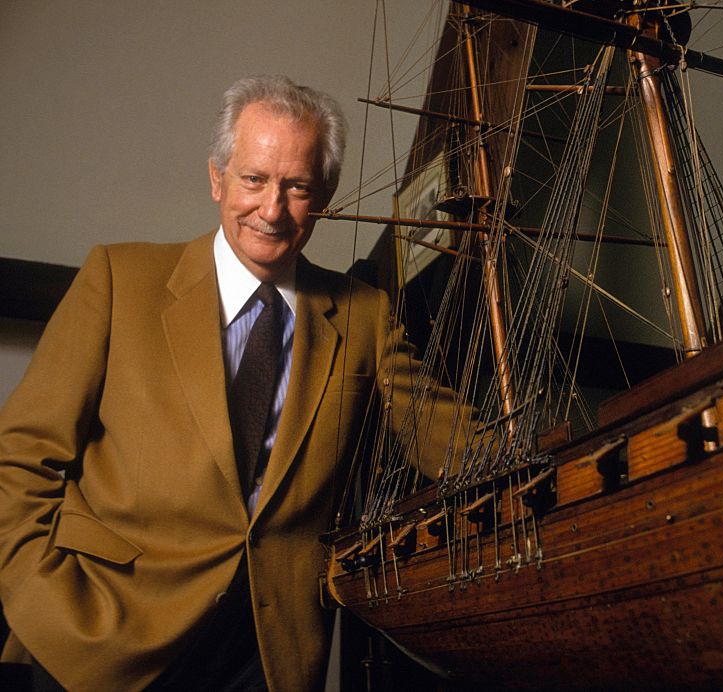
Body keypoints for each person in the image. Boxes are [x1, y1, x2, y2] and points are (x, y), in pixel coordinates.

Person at [0, 75, 459, 690]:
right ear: (217, 178)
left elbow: (452, 443)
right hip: (101, 636)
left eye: (296, 187)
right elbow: (20, 457)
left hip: (264, 654)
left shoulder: (364, 315)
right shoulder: (118, 278)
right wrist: (42, 597)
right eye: (254, 180)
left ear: (323, 195)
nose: (272, 210)